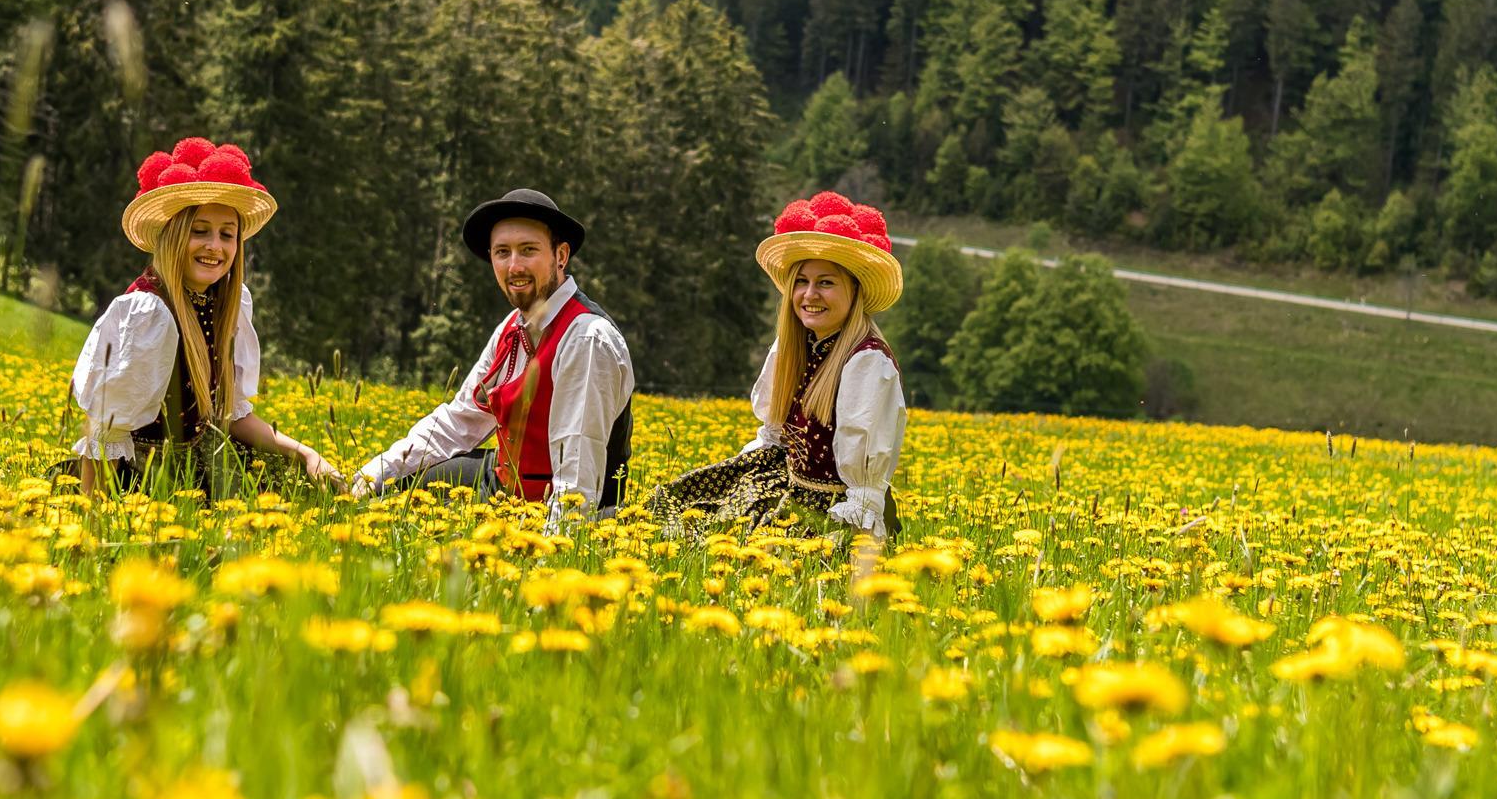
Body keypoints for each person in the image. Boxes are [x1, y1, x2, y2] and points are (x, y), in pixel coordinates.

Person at [65, 137, 337, 494]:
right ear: (175, 235)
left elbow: (230, 416)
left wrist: (306, 454)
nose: (215, 246)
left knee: (305, 491)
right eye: (200, 231)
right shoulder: (148, 313)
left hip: (201, 465)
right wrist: (93, 514)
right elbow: (106, 429)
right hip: (143, 479)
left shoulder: (225, 303)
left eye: (227, 235)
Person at [352, 188, 633, 522]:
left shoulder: (586, 339)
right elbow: (460, 421)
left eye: (528, 250)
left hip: (557, 511)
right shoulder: (512, 326)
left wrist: (548, 549)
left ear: (561, 255)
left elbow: (577, 480)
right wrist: (371, 476)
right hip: (502, 486)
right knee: (393, 492)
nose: (514, 266)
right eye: (502, 252)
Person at [648, 190, 906, 543]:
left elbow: (864, 483)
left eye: (826, 282)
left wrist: (855, 539)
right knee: (674, 509)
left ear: (855, 291)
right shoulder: (794, 345)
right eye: (801, 281)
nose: (810, 295)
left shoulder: (867, 362)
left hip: (832, 508)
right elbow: (773, 437)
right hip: (785, 482)